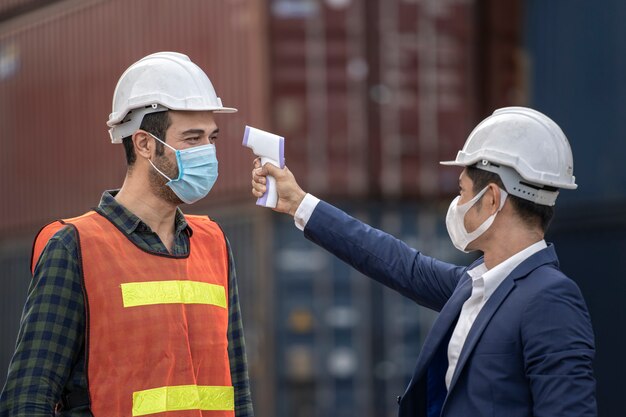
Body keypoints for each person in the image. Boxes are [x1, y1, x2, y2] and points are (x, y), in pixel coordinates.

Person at [251, 107, 596, 417]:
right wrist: (299, 203)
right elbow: (397, 262)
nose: (456, 203)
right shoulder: (477, 283)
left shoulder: (550, 299)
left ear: (491, 199)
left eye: (461, 192)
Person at [0, 52, 254, 417]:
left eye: (211, 138)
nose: (208, 153)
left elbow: (237, 387)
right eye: (192, 138)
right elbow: (28, 399)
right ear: (144, 144)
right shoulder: (75, 248)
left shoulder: (212, 243)